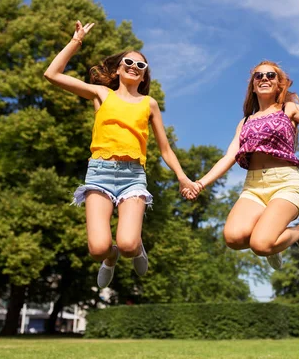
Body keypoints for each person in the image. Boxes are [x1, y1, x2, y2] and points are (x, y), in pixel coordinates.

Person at [44, 21, 196, 288]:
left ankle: (135, 249)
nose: (134, 67)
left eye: (141, 66)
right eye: (129, 62)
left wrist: (183, 178)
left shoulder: (149, 104)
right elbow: (52, 74)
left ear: (145, 76)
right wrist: (76, 41)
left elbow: (165, 149)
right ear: (117, 68)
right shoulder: (102, 94)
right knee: (98, 248)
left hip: (133, 176)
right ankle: (110, 258)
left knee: (127, 243)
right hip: (100, 172)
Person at [184, 60, 299, 269]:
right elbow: (229, 157)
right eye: (259, 76)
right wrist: (199, 184)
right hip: (253, 187)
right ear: (253, 85)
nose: (264, 78)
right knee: (233, 238)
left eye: (270, 75)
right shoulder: (245, 122)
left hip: (284, 183)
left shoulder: (289, 109)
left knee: (260, 245)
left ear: (279, 84)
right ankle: (274, 243)